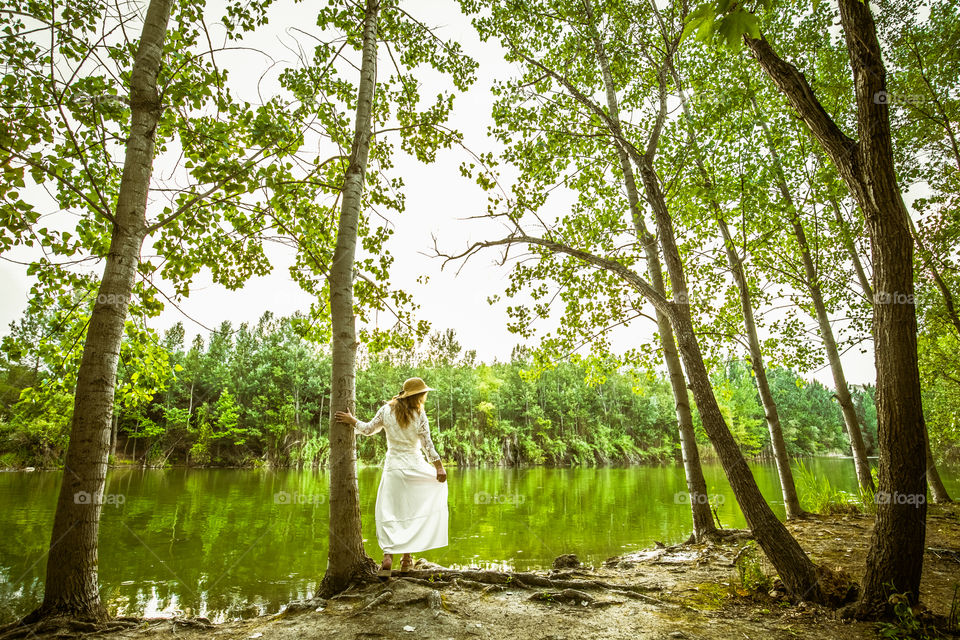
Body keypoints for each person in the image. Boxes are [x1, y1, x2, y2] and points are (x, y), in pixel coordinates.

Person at [335, 377, 448, 578]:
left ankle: (388, 557)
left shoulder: (386, 410)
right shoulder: (419, 414)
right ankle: (406, 559)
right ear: (417, 396)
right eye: (423, 393)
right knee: (411, 511)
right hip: (415, 468)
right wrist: (438, 467)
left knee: (390, 511)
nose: (425, 396)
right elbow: (427, 444)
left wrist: (352, 421)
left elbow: (368, 429)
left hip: (394, 468)